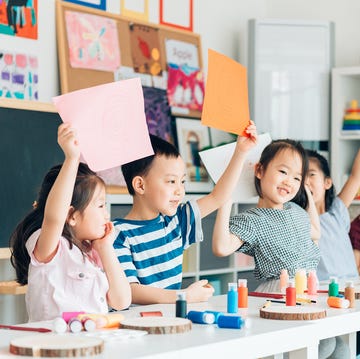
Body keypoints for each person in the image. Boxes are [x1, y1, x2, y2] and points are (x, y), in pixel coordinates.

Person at [113, 122, 258, 305]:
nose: (180, 191)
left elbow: (218, 197)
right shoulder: (118, 234)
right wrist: (184, 296)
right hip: (136, 327)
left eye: (182, 182)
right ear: (140, 185)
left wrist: (241, 152)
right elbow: (130, 290)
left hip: (170, 320)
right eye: (171, 182)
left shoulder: (177, 221)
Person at [10, 123, 131, 322]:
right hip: (55, 345)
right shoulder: (50, 247)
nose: (106, 214)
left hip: (91, 344)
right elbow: (54, 217)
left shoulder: (94, 251)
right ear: (71, 216)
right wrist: (72, 158)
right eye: (100, 206)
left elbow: (122, 301)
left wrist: (105, 248)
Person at [212, 139, 321, 292]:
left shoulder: (297, 211)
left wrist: (307, 191)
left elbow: (316, 231)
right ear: (259, 171)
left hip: (309, 290)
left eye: (297, 178)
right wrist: (224, 198)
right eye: (283, 172)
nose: (289, 182)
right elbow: (221, 248)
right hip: (278, 294)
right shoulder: (252, 220)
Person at [305, 149, 360, 281]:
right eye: (299, 177)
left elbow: (356, 176)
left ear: (327, 183)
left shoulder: (337, 213)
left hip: (353, 286)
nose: (305, 182)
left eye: (311, 174)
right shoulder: (299, 221)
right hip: (323, 290)